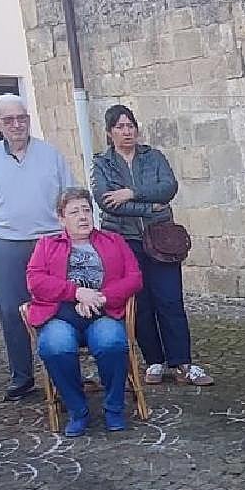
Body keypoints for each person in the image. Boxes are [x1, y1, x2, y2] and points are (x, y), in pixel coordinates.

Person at [92, 104, 213, 386]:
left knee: (170, 299)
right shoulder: (102, 164)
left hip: (161, 239)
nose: (127, 131)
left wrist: (132, 193)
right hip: (125, 242)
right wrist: (150, 208)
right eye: (120, 127)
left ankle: (181, 361)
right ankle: (154, 361)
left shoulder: (153, 157)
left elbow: (168, 188)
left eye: (130, 125)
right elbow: (108, 203)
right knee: (141, 303)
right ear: (110, 133)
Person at [0, 93, 77, 402]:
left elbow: (70, 196)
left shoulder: (50, 154)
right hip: (5, 245)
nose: (17, 125)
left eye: (22, 118)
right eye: (9, 120)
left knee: (58, 306)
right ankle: (22, 376)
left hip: (49, 243)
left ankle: (63, 369)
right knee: (10, 312)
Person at [26, 189, 143, 436]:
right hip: (60, 314)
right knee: (55, 347)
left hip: (102, 311)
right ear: (61, 219)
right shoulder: (47, 245)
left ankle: (113, 408)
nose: (82, 217)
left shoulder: (113, 241)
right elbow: (35, 280)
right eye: (74, 212)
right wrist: (76, 293)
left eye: (86, 210)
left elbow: (134, 278)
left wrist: (100, 297)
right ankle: (77, 410)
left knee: (112, 343)